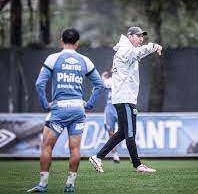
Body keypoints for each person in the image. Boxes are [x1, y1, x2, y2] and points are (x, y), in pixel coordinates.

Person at [27, 28, 104, 193]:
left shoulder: (53, 58)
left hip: (59, 109)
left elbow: (39, 84)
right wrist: (89, 104)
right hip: (77, 110)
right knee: (75, 149)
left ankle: (43, 184)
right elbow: (99, 84)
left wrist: (44, 104)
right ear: (77, 43)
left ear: (61, 41)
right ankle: (70, 185)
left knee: (47, 147)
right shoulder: (85, 60)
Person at [89, 26, 162, 173]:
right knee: (130, 133)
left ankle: (98, 157)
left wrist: (150, 47)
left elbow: (137, 54)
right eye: (138, 36)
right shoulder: (126, 49)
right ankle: (138, 165)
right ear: (130, 36)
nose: (141, 39)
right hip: (125, 98)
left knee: (123, 132)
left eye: (143, 36)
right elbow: (138, 52)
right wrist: (153, 46)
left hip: (123, 97)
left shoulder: (126, 49)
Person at [101, 70, 120, 163]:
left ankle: (133, 156)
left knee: (127, 131)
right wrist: (103, 78)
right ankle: (115, 155)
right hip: (110, 109)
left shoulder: (123, 79)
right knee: (110, 133)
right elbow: (103, 84)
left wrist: (103, 78)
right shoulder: (109, 81)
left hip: (120, 108)